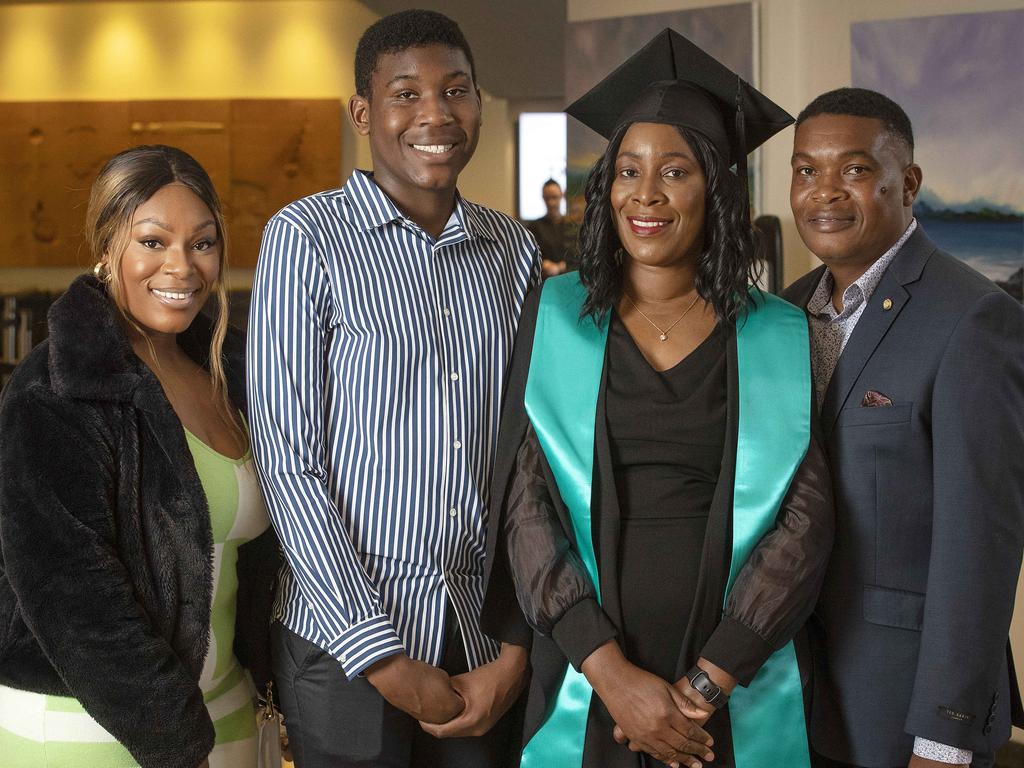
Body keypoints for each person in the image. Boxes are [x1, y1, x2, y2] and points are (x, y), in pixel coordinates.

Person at [481, 29, 835, 768]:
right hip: (588, 685)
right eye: (628, 171)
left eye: (675, 172)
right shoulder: (553, 317)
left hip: (735, 685)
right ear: (605, 185)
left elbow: (805, 521)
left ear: (716, 189)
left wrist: (707, 683)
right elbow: (525, 503)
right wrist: (608, 672)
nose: (646, 194)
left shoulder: (777, 334)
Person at [246, 10, 538, 768]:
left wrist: (515, 645)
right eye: (406, 93)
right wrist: (380, 655)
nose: (436, 115)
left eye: (456, 91)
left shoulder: (512, 248)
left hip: (475, 634)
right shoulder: (305, 238)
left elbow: (526, 457)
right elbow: (287, 460)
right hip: (341, 640)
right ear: (364, 112)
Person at [0, 144, 279, 768]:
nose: (181, 267)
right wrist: (176, 744)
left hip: (226, 710)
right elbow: (72, 597)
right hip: (91, 728)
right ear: (107, 246)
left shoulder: (233, 369)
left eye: (201, 243)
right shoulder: (57, 386)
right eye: (152, 242)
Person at [781, 88, 1024, 768]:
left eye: (853, 169)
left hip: (899, 704)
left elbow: (979, 547)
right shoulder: (782, 312)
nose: (824, 192)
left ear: (907, 183)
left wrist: (943, 737)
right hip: (787, 694)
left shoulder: (974, 319)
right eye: (806, 170)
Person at [526, 178, 577, 277]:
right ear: (543, 198)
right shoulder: (534, 227)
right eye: (547, 198)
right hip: (544, 280)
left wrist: (560, 267)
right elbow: (528, 256)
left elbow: (580, 257)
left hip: (569, 278)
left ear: (562, 195)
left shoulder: (573, 227)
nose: (551, 203)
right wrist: (543, 263)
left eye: (554, 197)